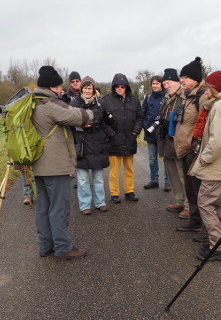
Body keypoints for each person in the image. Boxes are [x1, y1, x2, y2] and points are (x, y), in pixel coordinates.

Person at [32, 65, 94, 261]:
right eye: (59, 86)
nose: (62, 90)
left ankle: (45, 245)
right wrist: (92, 114)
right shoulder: (50, 104)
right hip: (55, 165)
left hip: (39, 164)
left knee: (44, 207)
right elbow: (77, 116)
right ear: (51, 87)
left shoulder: (32, 102)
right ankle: (63, 247)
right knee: (59, 208)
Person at [188, 71, 221, 261]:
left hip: (215, 167)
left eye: (208, 87)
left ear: (214, 89)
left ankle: (217, 246)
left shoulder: (220, 106)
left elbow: (217, 141)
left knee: (205, 202)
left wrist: (204, 159)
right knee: (218, 203)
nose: (205, 90)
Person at [71, 76, 114, 215]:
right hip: (82, 144)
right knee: (82, 179)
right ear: (81, 89)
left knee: (98, 178)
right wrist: (81, 124)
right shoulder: (74, 103)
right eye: (85, 88)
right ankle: (85, 205)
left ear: (93, 89)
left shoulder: (101, 103)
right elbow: (70, 122)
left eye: (90, 88)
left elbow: (106, 122)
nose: (88, 90)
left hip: (98, 143)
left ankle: (100, 202)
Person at [101, 73, 144, 203]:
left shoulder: (134, 100)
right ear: (113, 87)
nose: (120, 88)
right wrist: (111, 134)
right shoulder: (106, 100)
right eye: (117, 86)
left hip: (129, 139)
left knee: (129, 168)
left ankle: (129, 191)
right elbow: (101, 121)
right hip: (113, 141)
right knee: (114, 170)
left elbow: (140, 117)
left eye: (122, 86)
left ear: (126, 87)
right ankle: (114, 193)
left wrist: (136, 131)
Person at [175, 57, 206, 232]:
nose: (182, 81)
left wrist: (198, 147)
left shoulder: (201, 97)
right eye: (182, 78)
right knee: (190, 190)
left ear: (195, 79)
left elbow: (205, 124)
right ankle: (194, 222)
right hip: (184, 149)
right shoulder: (185, 97)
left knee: (199, 190)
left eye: (185, 77)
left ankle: (204, 224)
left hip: (194, 150)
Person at [157, 68, 190, 220]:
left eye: (168, 83)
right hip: (166, 142)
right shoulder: (166, 98)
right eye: (164, 83)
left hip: (179, 142)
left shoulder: (184, 97)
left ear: (177, 82)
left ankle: (190, 206)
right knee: (173, 174)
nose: (166, 86)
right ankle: (180, 201)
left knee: (183, 174)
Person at [142, 75, 170, 191]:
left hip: (163, 133)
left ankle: (168, 181)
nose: (155, 85)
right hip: (150, 133)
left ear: (161, 84)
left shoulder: (167, 96)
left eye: (157, 83)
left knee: (165, 158)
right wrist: (145, 125)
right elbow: (142, 113)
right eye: (153, 84)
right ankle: (154, 180)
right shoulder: (147, 97)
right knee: (152, 158)